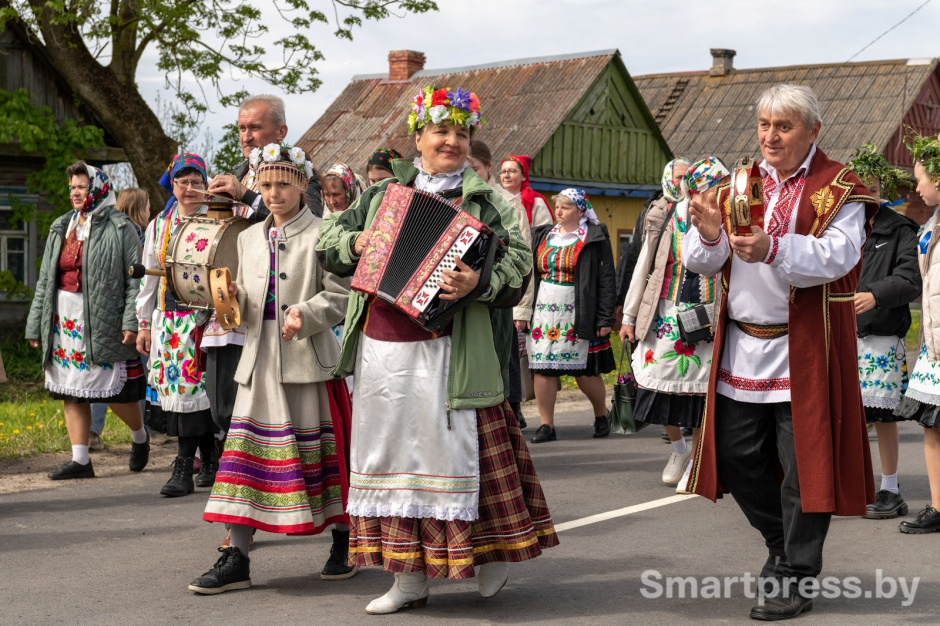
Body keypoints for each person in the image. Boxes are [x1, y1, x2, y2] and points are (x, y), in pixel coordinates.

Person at [316, 84, 558, 615]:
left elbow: (520, 268)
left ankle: (491, 551)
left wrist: (479, 282)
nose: (451, 141)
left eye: (461, 132)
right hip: (384, 350)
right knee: (392, 459)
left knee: (466, 456)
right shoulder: (379, 196)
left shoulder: (489, 201)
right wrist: (354, 244)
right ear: (418, 137)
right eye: (440, 131)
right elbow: (328, 243)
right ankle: (407, 579)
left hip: (455, 351)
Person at [683, 84, 877, 620]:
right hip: (742, 348)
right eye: (765, 124)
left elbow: (839, 257)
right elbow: (705, 262)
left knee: (802, 467)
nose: (770, 135)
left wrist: (773, 247)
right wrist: (706, 237)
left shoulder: (839, 187)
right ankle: (780, 543)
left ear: (813, 132)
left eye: (784, 126)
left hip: (806, 347)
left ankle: (796, 574)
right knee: (739, 455)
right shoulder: (734, 184)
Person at [189, 143, 355, 594]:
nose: (275, 192)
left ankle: (344, 541)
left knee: (322, 458)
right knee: (245, 461)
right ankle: (236, 557)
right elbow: (240, 304)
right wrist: (226, 298)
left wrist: (306, 313)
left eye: (284, 183)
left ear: (303, 184)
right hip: (258, 362)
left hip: (306, 363)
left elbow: (342, 296)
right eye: (266, 184)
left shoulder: (326, 233)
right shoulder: (246, 238)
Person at [25, 162, 149, 480]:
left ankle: (140, 436)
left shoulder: (120, 226)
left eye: (82, 186)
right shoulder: (61, 226)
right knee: (72, 389)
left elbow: (135, 280)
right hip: (64, 320)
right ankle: (80, 460)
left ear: (97, 188)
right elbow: (45, 280)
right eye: (72, 188)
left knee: (110, 392)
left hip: (102, 319)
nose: (76, 193)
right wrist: (35, 322)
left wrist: (131, 321)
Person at [620, 158, 726, 485]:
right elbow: (644, 264)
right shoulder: (667, 215)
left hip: (707, 312)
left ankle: (696, 460)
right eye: (713, 188)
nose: (717, 194)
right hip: (665, 310)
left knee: (699, 391)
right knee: (656, 381)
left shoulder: (728, 219)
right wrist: (629, 316)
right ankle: (679, 448)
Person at [136, 153, 217, 497]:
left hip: (207, 319)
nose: (189, 188)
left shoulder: (216, 220)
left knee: (202, 393)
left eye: (197, 181)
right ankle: (208, 458)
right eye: (183, 182)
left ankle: (186, 466)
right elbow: (148, 279)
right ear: (173, 183)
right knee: (183, 394)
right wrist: (142, 323)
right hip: (170, 322)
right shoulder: (160, 223)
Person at [845, 145, 919, 520]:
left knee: (882, 415)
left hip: (881, 335)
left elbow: (910, 280)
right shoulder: (841, 227)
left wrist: (875, 295)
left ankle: (891, 489)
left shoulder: (899, 228)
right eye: (858, 186)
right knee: (846, 414)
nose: (865, 193)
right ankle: (848, 485)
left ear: (881, 188)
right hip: (841, 336)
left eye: (871, 186)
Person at [526, 189, 616, 443]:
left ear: (580, 210)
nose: (559, 211)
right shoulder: (543, 235)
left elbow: (606, 280)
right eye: (558, 207)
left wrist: (604, 318)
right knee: (542, 366)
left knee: (583, 370)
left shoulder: (594, 237)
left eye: (565, 207)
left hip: (578, 309)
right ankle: (546, 425)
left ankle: (601, 415)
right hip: (544, 309)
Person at [894, 130, 940, 534]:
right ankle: (939, 507)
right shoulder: (931, 225)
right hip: (934, 345)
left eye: (921, 177)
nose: (917, 186)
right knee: (932, 425)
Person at [473, 139, 532, 428]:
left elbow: (524, 261)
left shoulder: (507, 204)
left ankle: (510, 410)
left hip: (500, 295)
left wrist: (522, 309)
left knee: (502, 358)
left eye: (474, 168)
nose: (469, 174)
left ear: (487, 168)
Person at [90, 187, 151, 449]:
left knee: (103, 375)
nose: (150, 211)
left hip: (105, 314)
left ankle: (93, 431)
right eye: (148, 205)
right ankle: (145, 428)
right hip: (133, 315)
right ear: (140, 208)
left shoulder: (105, 234)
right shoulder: (139, 237)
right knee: (141, 373)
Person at [207, 94, 323, 219]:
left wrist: (246, 195)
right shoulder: (235, 175)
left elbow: (311, 218)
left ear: (281, 132)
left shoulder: (299, 172)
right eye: (242, 128)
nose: (246, 138)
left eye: (255, 127)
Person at [499, 154, 554, 228]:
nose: (506, 175)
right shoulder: (493, 200)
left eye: (512, 171)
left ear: (524, 176)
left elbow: (542, 234)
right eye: (503, 172)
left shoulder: (536, 203)